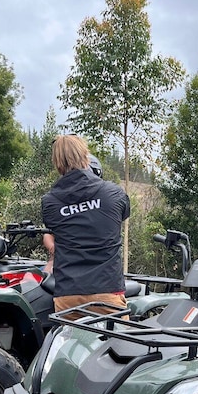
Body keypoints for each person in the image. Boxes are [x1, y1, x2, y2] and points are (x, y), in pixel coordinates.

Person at [42, 135, 130, 315]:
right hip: (107, 292)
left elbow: (52, 231)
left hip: (68, 296)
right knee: (117, 343)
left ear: (57, 162)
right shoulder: (113, 194)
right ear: (85, 156)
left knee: (70, 343)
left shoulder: (50, 202)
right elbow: (121, 215)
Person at [42, 153, 103, 274]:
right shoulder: (60, 201)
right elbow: (48, 234)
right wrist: (56, 251)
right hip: (64, 265)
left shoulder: (104, 204)